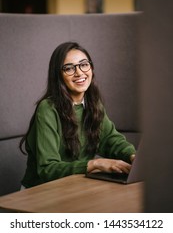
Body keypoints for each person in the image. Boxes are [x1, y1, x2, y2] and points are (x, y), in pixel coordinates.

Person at [20, 41, 136, 188]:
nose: (80, 72)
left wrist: (133, 156)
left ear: (91, 67)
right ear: (58, 75)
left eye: (84, 64)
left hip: (74, 188)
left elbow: (110, 139)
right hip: (39, 193)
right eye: (69, 68)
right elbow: (47, 169)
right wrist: (95, 163)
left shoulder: (93, 103)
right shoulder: (48, 109)